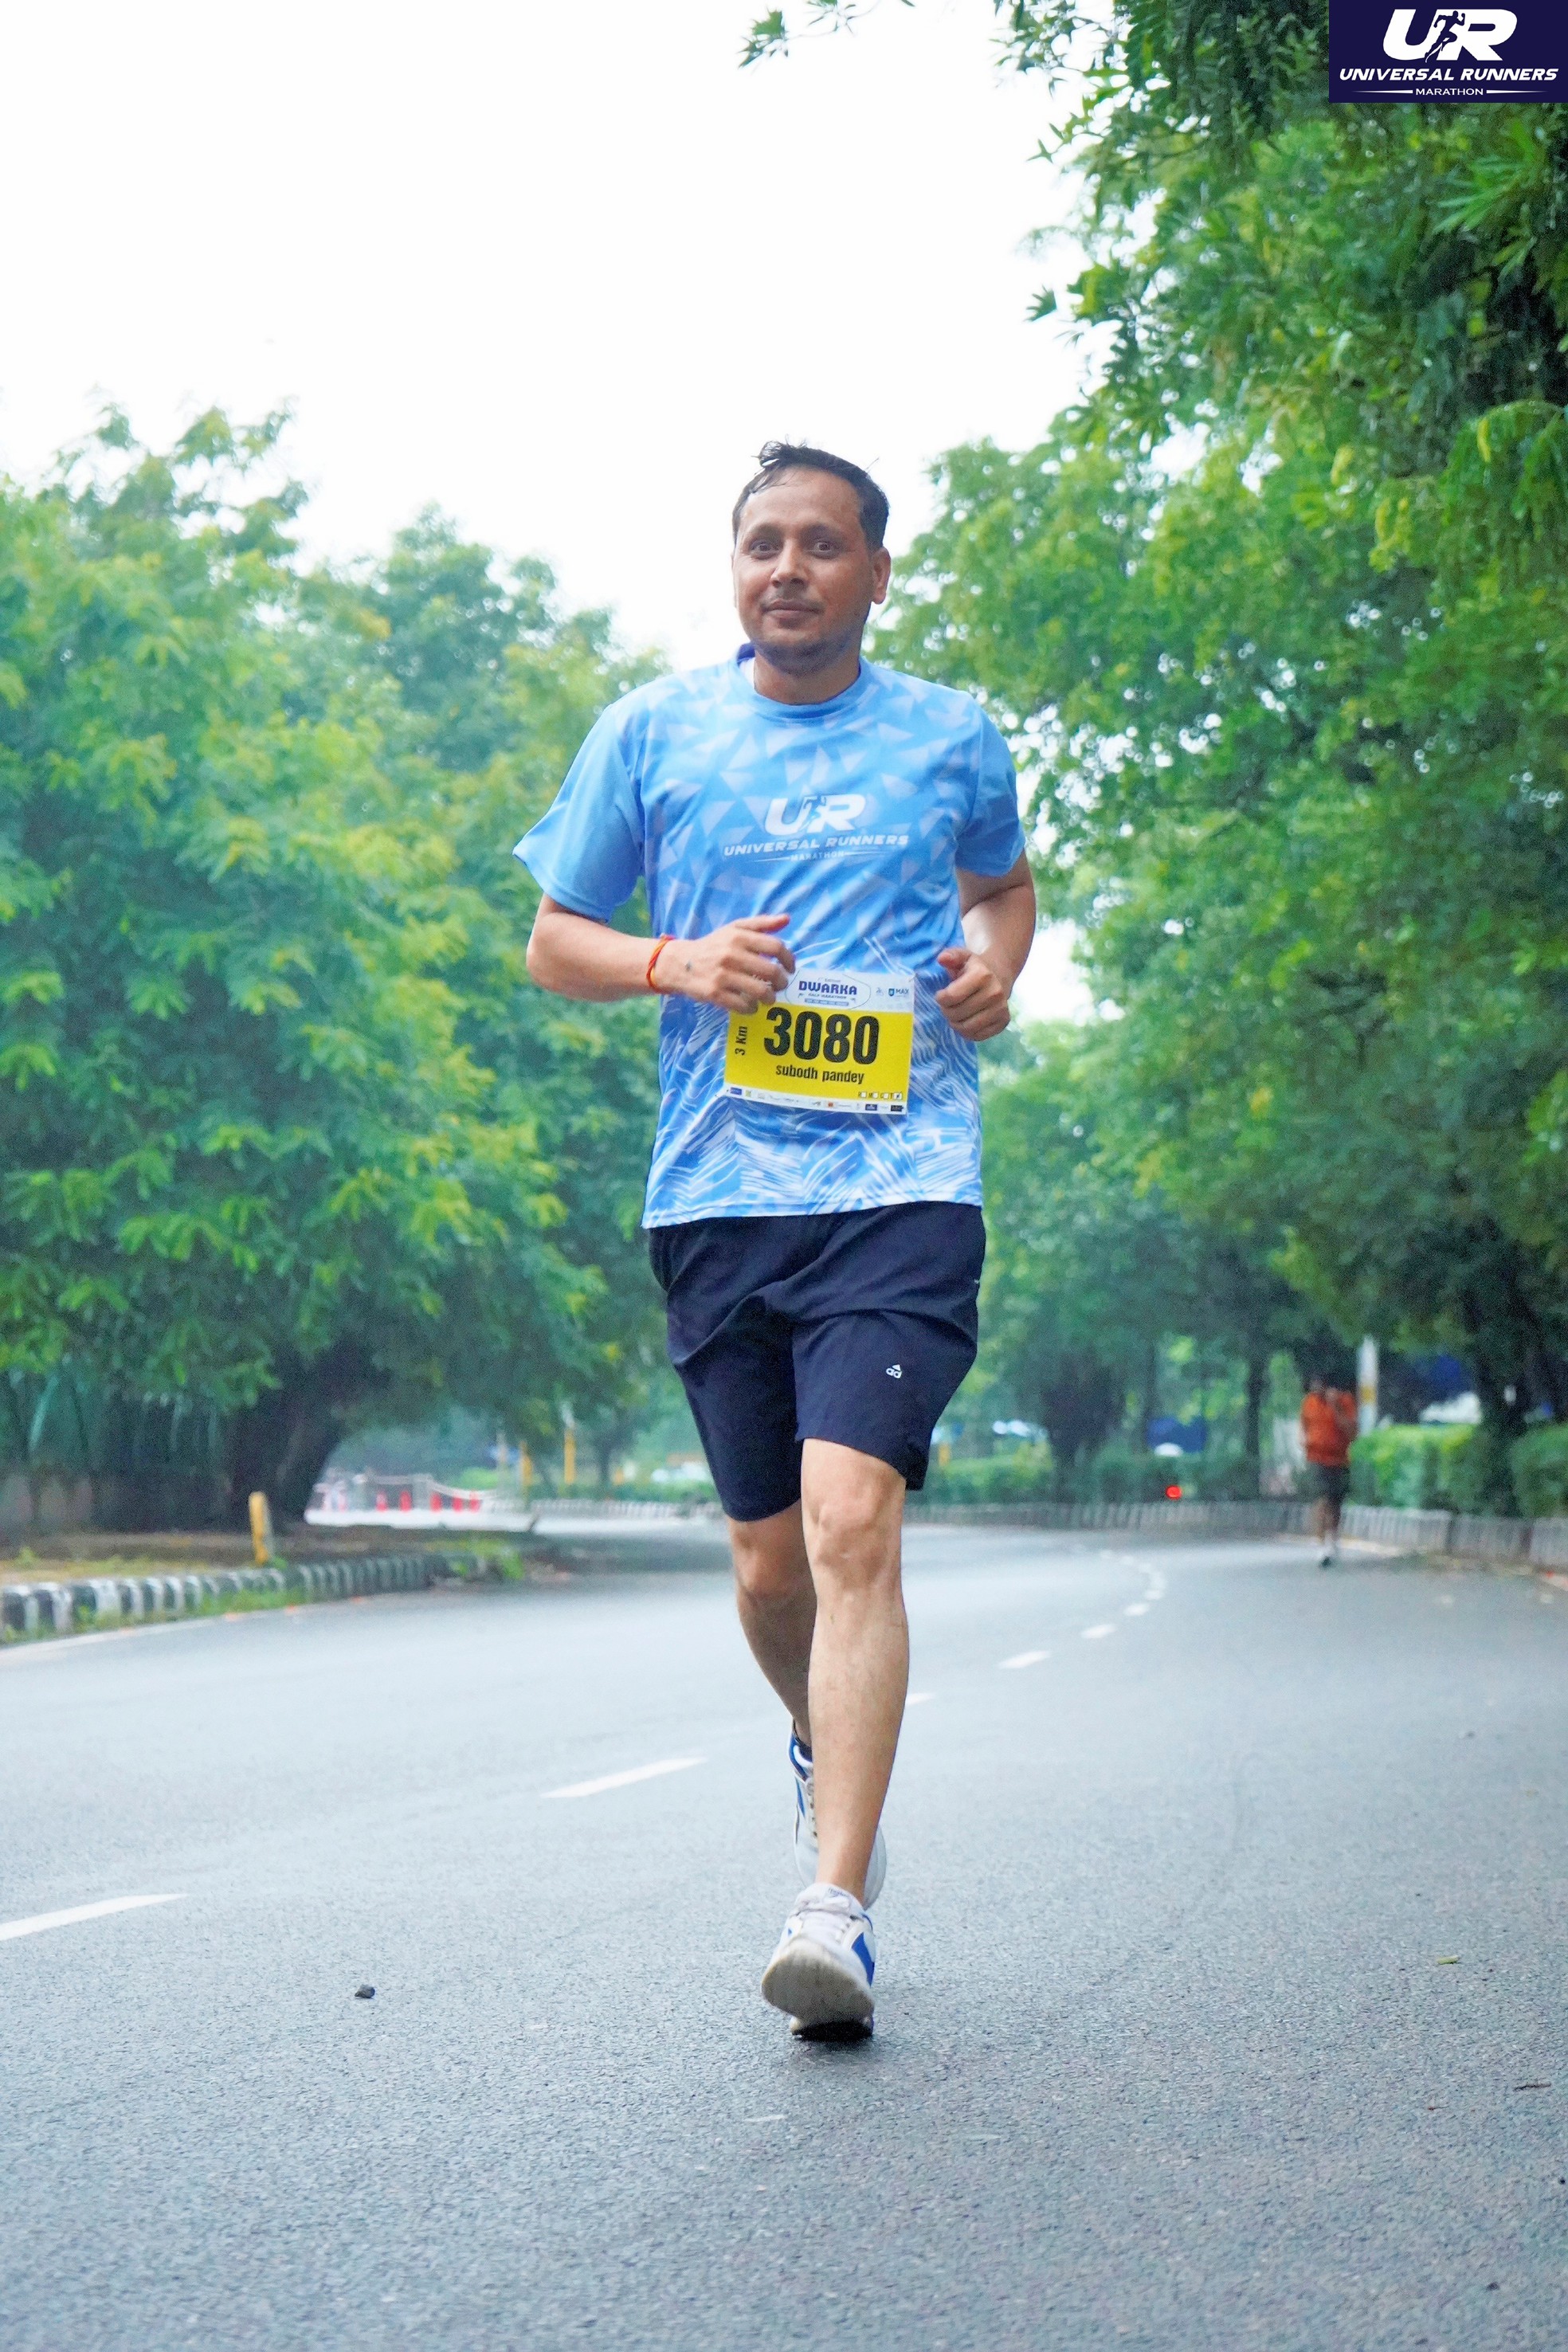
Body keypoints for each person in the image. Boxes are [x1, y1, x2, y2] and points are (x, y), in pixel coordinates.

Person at [516, 441, 1036, 2034]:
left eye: (820, 544)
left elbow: (1003, 891)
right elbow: (552, 942)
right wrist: (673, 961)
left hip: (901, 1182)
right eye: (762, 544)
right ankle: (821, 1735)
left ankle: (835, 1903)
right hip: (718, 1196)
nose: (788, 569)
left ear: (877, 571)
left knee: (850, 1519)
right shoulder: (651, 734)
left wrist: (992, 967)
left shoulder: (950, 736)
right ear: (733, 567)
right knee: (766, 1567)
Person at [1300, 1374, 1358, 1567]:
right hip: (1316, 1459)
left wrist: (1336, 1407)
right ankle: (1321, 1544)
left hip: (1339, 1459)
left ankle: (1333, 1538)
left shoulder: (1345, 1401)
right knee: (1322, 1500)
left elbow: (1352, 1433)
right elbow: (1303, 1426)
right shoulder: (1309, 1402)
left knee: (1335, 1502)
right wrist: (1304, 1441)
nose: (1315, 1388)